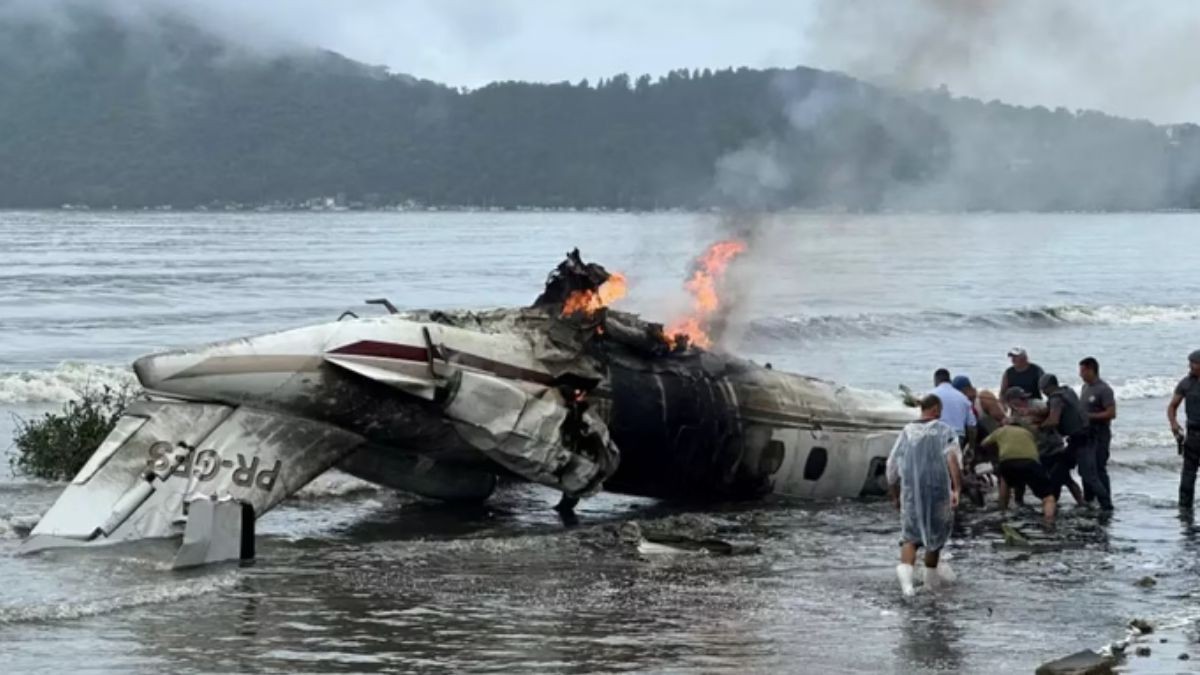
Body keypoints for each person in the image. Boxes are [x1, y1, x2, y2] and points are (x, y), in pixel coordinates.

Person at [887, 394, 963, 597]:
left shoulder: (907, 431)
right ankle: (930, 586)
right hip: (938, 492)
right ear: (937, 409)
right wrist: (956, 489)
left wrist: (894, 494)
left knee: (910, 538)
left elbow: (891, 467)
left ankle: (907, 588)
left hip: (911, 493)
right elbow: (953, 460)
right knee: (935, 539)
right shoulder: (945, 431)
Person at [1042, 373, 1111, 511]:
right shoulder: (1068, 391)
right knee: (1059, 471)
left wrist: (1039, 426)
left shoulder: (1056, 398)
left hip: (1083, 441)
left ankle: (1107, 506)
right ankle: (1054, 504)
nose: (1043, 394)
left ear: (1047, 388)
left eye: (1043, 390)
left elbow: (1054, 420)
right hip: (1079, 439)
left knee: (1089, 476)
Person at [980, 422, 1057, 524]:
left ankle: (1002, 513)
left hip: (1007, 463)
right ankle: (1049, 523)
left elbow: (983, 444)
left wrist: (995, 450)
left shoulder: (1001, 430)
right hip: (1030, 463)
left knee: (1005, 481)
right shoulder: (1028, 433)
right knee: (1048, 497)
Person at [1079, 357, 1116, 505]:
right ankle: (1089, 499)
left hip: (1100, 434)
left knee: (1099, 468)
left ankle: (1105, 502)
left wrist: (1089, 416)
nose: (1080, 375)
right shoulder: (1085, 388)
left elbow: (1111, 413)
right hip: (1086, 435)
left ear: (1091, 370)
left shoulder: (1104, 389)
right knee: (1086, 469)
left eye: (1082, 371)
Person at [1167, 350, 1200, 508]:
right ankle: (1184, 508)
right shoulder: (1186, 383)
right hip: (1192, 434)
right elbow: (1172, 406)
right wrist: (1174, 423)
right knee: (1188, 474)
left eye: (1193, 363)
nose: (1190, 366)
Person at [933, 370, 977, 452]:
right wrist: (971, 447)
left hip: (937, 436)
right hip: (957, 437)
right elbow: (972, 426)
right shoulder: (963, 398)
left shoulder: (931, 395)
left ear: (935, 380)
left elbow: (925, 420)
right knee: (954, 462)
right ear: (949, 380)